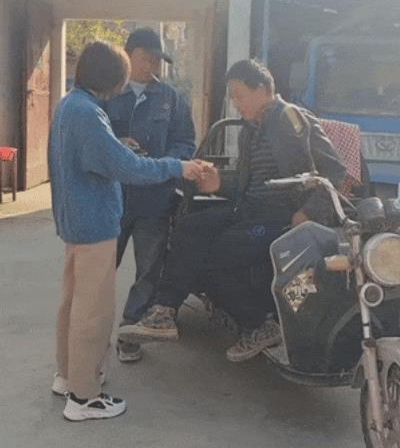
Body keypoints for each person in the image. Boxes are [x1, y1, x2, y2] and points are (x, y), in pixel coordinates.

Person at [117, 59, 347, 363]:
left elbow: (336, 171)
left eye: (239, 95)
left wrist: (308, 212)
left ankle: (259, 325)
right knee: (189, 227)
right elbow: (247, 182)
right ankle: (164, 311)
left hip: (281, 216)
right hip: (249, 210)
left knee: (214, 257)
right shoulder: (250, 130)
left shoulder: (292, 119)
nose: (236, 104)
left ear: (262, 89)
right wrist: (219, 183)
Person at [48, 40, 205, 421]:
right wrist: (178, 167)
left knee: (74, 304)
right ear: (110, 76)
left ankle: (68, 375)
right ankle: (84, 397)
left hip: (75, 222)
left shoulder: (71, 105)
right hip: (95, 225)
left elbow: (95, 156)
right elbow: (128, 168)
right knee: (94, 312)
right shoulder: (89, 113)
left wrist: (116, 146)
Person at [106, 27, 196, 363]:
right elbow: (93, 139)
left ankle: (130, 332)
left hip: (155, 199)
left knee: (148, 269)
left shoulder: (171, 98)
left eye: (157, 60)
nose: (152, 65)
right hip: (112, 198)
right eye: (146, 58)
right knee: (101, 268)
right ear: (128, 54)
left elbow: (185, 142)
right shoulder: (107, 94)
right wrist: (118, 145)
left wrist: (163, 164)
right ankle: (94, 331)